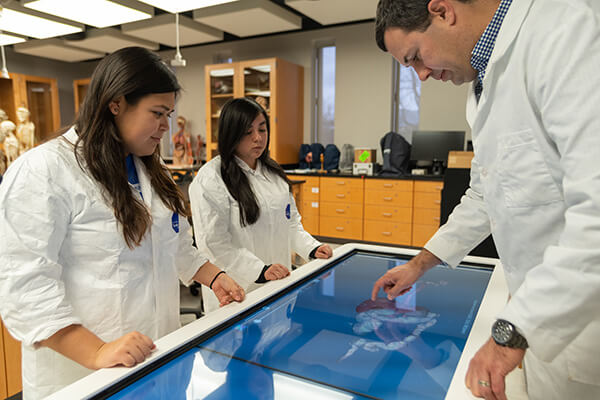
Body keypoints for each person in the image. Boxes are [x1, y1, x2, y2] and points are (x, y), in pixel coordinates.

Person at [370, 1, 600, 399]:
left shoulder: (565, 29)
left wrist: (510, 333)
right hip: (539, 313)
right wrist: (419, 264)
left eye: (415, 58)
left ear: (443, 11)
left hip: (580, 321)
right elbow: (485, 193)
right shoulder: (484, 83)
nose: (422, 75)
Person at [0, 46, 245, 400]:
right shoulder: (45, 170)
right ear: (116, 104)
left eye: (169, 114)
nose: (166, 126)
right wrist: (97, 352)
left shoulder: (149, 167)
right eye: (157, 113)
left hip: (155, 355)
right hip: (84, 372)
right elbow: (26, 291)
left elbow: (173, 244)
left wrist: (213, 276)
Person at [189, 97, 333, 313]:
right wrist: (260, 270)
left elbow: (291, 224)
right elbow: (214, 244)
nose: (257, 138)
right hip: (237, 291)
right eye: (248, 132)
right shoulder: (210, 179)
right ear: (231, 134)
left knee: (277, 339)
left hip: (277, 282)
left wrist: (312, 248)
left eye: (262, 129)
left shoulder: (273, 173)